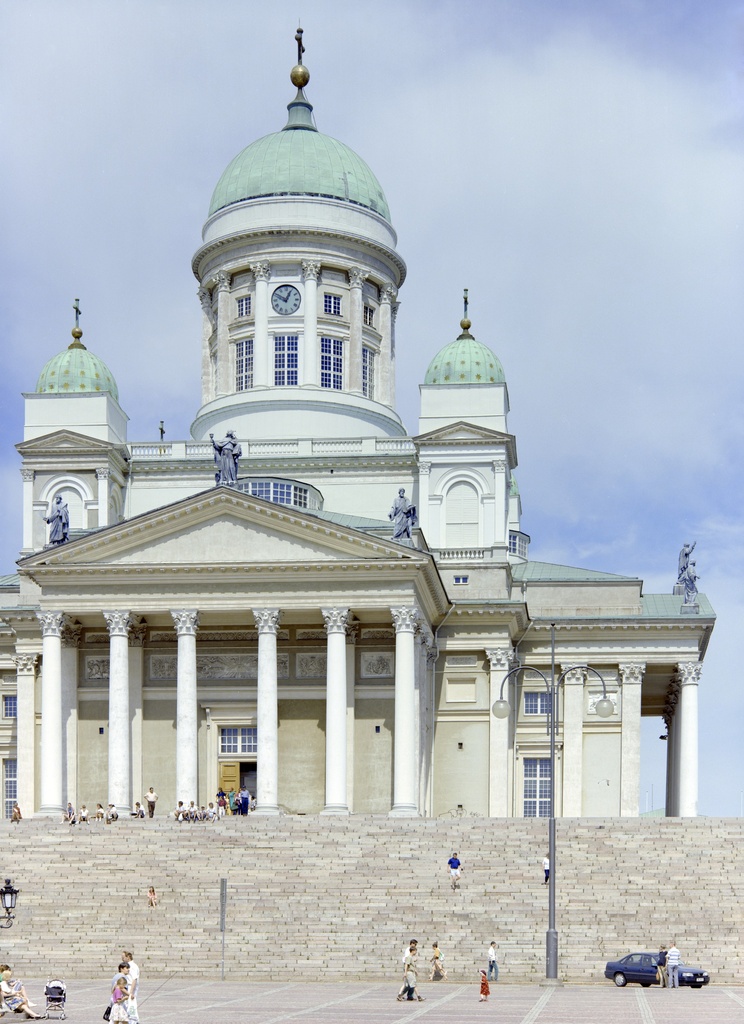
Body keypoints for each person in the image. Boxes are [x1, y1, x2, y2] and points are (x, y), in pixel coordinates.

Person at [123, 950, 139, 1024]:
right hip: (128, 986)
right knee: (128, 1005)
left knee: (131, 1005)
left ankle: (133, 1021)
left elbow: (134, 979)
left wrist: (131, 992)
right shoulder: (129, 965)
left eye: (123, 957)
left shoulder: (132, 966)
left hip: (130, 987)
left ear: (128, 957)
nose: (122, 959)